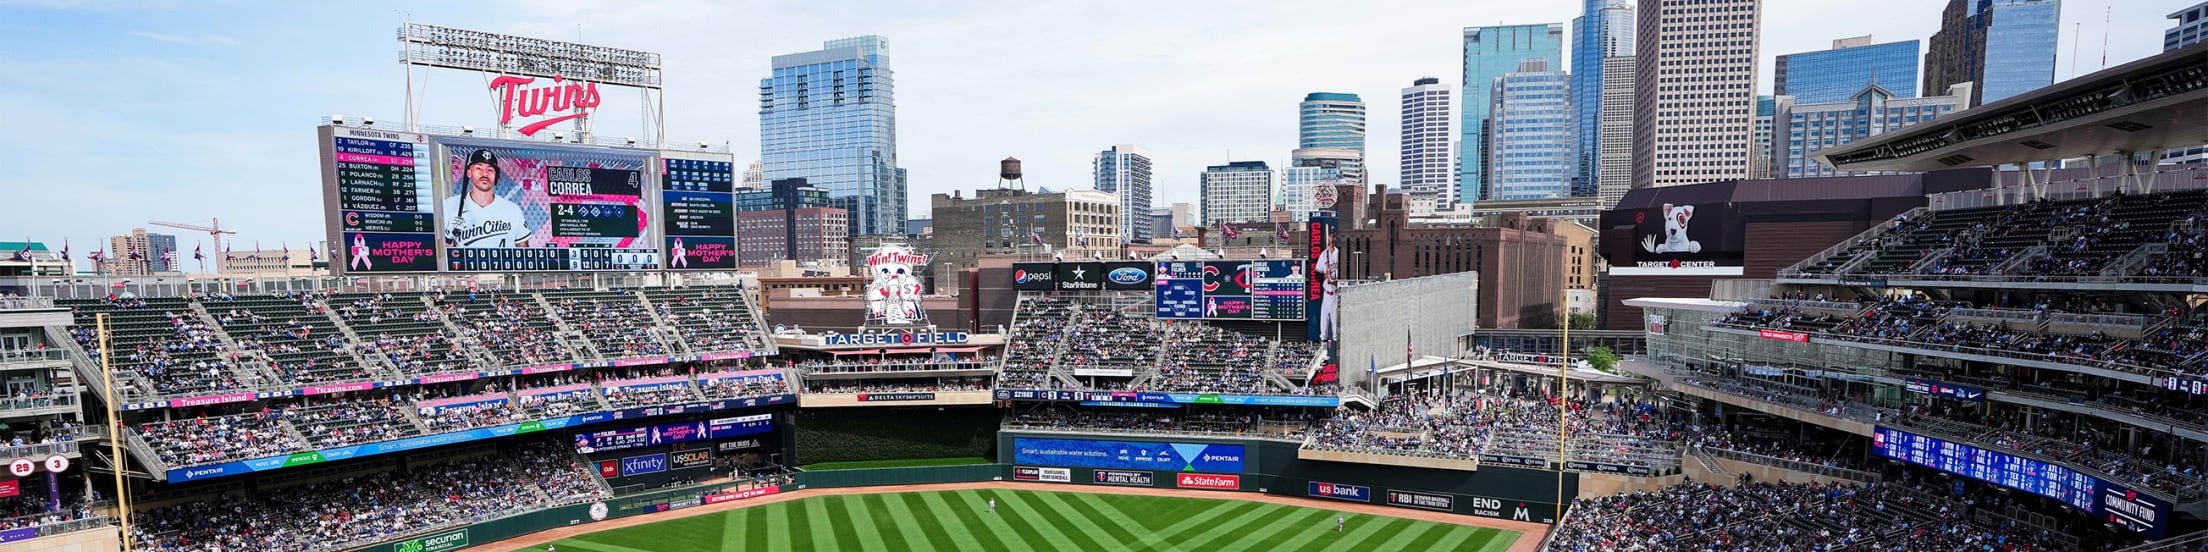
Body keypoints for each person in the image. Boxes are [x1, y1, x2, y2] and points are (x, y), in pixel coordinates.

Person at [443, 148, 532, 248]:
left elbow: (523, 248)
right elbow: (441, 253)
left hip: (502, 263)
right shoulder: (450, 205)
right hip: (467, 263)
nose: (485, 174)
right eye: (479, 168)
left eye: (490, 170)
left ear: (495, 175)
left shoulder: (512, 209)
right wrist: (447, 237)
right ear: (469, 173)